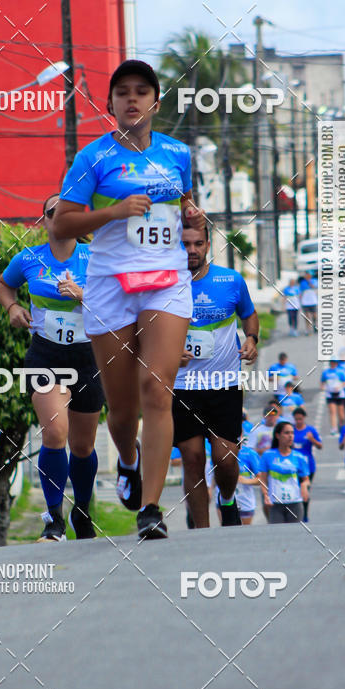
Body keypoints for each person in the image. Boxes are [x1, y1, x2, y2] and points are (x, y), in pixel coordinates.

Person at [53, 59, 205, 540]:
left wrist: (191, 216)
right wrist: (115, 211)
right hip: (109, 285)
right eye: (123, 93)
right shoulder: (92, 159)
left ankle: (152, 508)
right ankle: (128, 457)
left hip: (165, 281)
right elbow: (62, 224)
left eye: (142, 91)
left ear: (156, 103)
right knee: (120, 409)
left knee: (156, 390)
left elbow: (185, 206)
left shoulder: (178, 154)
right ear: (111, 105)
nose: (133, 99)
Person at [0, 195, 104, 541]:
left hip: (89, 356)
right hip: (45, 355)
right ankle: (53, 518)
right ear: (43, 221)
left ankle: (82, 510)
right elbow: (3, 284)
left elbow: (120, 299)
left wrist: (84, 295)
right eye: (53, 214)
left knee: (83, 446)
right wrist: (11, 307)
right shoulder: (28, 259)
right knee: (55, 433)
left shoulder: (96, 257)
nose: (60, 219)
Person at [172, 224, 259, 528]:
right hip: (182, 386)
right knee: (193, 459)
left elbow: (249, 313)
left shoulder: (230, 280)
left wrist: (251, 339)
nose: (192, 250)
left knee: (225, 459)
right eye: (185, 244)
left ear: (208, 244)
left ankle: (227, 498)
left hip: (224, 385)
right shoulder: (165, 284)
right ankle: (201, 532)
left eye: (198, 243)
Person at [258, 421, 310, 524]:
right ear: (278, 435)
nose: (290, 436)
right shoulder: (268, 455)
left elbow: (306, 480)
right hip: (275, 504)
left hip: (295, 503)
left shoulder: (299, 457)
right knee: (277, 536)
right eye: (286, 433)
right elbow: (263, 480)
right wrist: (265, 495)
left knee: (295, 535)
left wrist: (304, 486)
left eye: (292, 433)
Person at [292, 407, 322, 522]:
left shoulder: (310, 430)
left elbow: (320, 446)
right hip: (294, 466)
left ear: (304, 418)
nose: (298, 421)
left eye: (300, 419)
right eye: (296, 419)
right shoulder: (291, 431)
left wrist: (312, 440)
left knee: (305, 490)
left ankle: (304, 514)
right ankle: (296, 514)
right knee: (295, 490)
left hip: (309, 466)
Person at [233, 442, 261, 525]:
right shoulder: (221, 452)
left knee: (244, 532)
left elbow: (261, 479)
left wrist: (245, 481)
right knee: (226, 530)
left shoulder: (250, 453)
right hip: (225, 499)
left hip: (245, 500)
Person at [320, 359, 345, 435]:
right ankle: (333, 428)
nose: (333, 363)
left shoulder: (340, 371)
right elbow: (322, 382)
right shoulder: (326, 372)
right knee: (332, 412)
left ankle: (341, 426)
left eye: (334, 362)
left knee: (341, 414)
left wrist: (340, 386)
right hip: (330, 394)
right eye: (332, 362)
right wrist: (322, 387)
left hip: (340, 394)